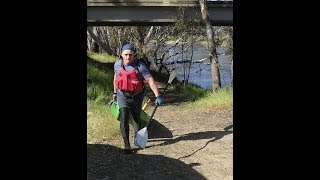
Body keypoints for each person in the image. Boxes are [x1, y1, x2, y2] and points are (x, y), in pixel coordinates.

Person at [113, 43, 164, 154]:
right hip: (122, 96)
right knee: (124, 119)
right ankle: (127, 146)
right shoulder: (117, 65)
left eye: (130, 54)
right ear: (121, 54)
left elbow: (150, 80)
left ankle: (138, 139)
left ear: (134, 55)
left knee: (136, 118)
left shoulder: (140, 66)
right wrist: (114, 92)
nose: (128, 57)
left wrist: (157, 95)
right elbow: (116, 78)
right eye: (126, 54)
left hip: (136, 96)